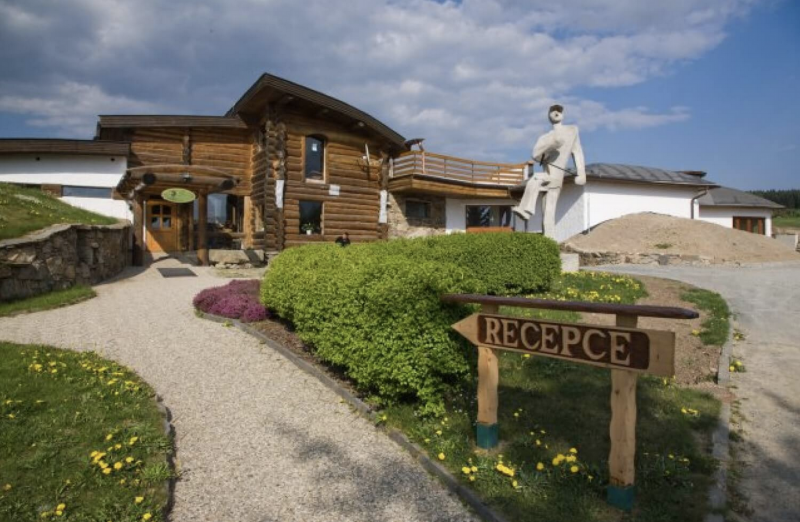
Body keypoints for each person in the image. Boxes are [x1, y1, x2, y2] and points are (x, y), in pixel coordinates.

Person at [512, 104, 586, 239]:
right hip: (549, 175)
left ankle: (526, 210)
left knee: (536, 180)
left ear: (563, 114)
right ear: (548, 115)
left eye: (559, 110)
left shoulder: (572, 130)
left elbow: (577, 152)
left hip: (557, 177)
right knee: (547, 214)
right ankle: (548, 240)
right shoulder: (545, 138)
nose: (556, 112)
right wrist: (551, 146)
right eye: (553, 111)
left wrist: (581, 173)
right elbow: (536, 156)